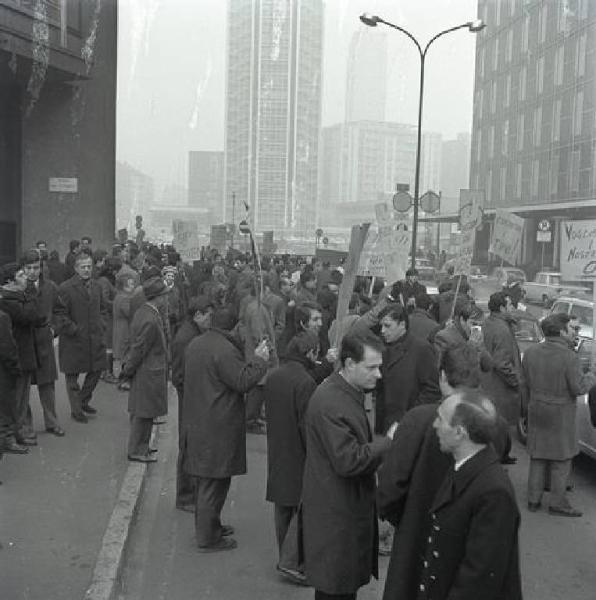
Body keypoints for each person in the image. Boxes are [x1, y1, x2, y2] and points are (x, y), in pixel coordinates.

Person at [377, 344, 511, 600]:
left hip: (416, 543)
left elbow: (389, 490)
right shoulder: (497, 423)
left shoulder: (417, 419)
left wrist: (408, 521)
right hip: (469, 548)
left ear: (442, 376)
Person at [301, 331, 394, 600]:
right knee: (336, 589)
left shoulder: (345, 392)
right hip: (336, 519)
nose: (378, 375)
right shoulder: (331, 401)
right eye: (372, 367)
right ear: (350, 364)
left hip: (342, 512)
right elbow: (348, 460)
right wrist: (389, 442)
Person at [414, 388, 522, 599]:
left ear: (459, 432)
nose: (435, 425)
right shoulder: (463, 467)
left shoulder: (493, 493)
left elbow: (478, 578)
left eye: (441, 419)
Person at [181, 308, 269, 552]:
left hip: (200, 418)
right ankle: (208, 537)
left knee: (209, 481)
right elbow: (242, 381)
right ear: (233, 327)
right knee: (214, 482)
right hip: (217, 424)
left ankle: (211, 525)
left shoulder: (197, 343)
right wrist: (260, 360)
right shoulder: (225, 350)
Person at [263, 330, 318, 585]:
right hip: (299, 450)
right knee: (302, 506)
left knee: (282, 505)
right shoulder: (305, 382)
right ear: (309, 353)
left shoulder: (275, 376)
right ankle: (292, 561)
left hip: (278, 445)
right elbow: (306, 423)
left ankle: (284, 553)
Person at [523, 313, 584, 517]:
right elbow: (578, 388)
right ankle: (557, 503)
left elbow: (526, 384)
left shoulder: (531, 352)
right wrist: (592, 374)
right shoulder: (570, 357)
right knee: (561, 460)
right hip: (561, 413)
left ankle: (534, 500)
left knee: (538, 456)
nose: (575, 332)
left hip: (537, 408)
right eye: (572, 329)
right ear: (561, 331)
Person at [171, 295, 213, 510]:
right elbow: (178, 375)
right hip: (189, 400)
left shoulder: (193, 334)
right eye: (208, 317)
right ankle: (185, 496)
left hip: (193, 398)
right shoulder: (185, 339)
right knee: (187, 446)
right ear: (197, 316)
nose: (210, 321)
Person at [121, 277, 169, 463]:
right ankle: (137, 450)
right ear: (157, 297)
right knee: (143, 413)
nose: (166, 299)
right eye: (164, 295)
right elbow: (140, 348)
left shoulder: (145, 312)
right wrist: (128, 369)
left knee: (145, 413)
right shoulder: (150, 319)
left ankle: (142, 446)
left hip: (147, 371)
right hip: (148, 372)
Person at [54, 252, 107, 423]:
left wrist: (102, 324)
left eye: (89, 266)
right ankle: (76, 411)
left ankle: (82, 401)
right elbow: (60, 314)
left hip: (94, 338)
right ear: (76, 268)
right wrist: (74, 329)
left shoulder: (97, 286)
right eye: (82, 267)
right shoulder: (65, 288)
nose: (86, 270)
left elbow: (103, 308)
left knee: (97, 369)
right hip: (74, 340)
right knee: (72, 376)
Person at [375, 303, 441, 433]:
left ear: (402, 325)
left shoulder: (422, 349)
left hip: (409, 425)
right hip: (386, 424)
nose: (382, 331)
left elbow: (433, 389)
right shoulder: (382, 348)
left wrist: (410, 416)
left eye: (387, 326)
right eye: (381, 326)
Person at [0, 261, 46, 445]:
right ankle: (16, 434)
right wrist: (28, 295)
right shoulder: (10, 301)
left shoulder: (17, 298)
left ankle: (18, 431)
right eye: (20, 275)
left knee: (21, 397)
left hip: (23, 354)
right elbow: (32, 316)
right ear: (9, 281)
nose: (26, 277)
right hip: (17, 356)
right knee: (17, 399)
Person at [481, 291, 521, 427]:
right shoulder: (502, 330)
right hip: (499, 393)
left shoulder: (487, 323)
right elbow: (502, 363)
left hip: (486, 390)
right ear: (502, 308)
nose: (513, 308)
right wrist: (517, 382)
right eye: (510, 305)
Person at [0, 301, 28, 455]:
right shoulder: (2, 318)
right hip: (3, 375)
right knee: (4, 416)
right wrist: (15, 369)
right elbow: (7, 349)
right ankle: (6, 442)